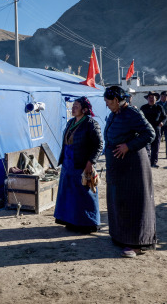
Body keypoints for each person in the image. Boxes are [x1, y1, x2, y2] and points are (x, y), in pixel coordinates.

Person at [103, 86, 157, 258]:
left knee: (135, 202)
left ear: (118, 101)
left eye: (109, 102)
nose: (107, 105)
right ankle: (121, 238)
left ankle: (137, 244)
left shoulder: (133, 113)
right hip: (119, 167)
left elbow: (150, 133)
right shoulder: (114, 114)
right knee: (119, 201)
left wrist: (128, 146)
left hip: (133, 166)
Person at [54, 97, 104, 234]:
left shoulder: (91, 123)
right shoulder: (71, 122)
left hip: (82, 163)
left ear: (85, 109)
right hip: (68, 162)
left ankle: (88, 223)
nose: (73, 108)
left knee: (85, 193)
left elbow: (99, 145)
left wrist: (90, 162)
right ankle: (71, 221)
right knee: (69, 193)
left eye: (76, 106)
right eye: (73, 106)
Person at [140, 91, 167, 168]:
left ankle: (153, 162)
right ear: (147, 99)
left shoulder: (159, 107)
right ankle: (147, 163)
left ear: (156, 99)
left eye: (153, 98)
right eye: (149, 97)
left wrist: (162, 122)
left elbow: (164, 117)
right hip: (146, 131)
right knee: (146, 147)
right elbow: (139, 117)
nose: (151, 99)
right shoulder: (143, 108)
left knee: (155, 147)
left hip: (156, 130)